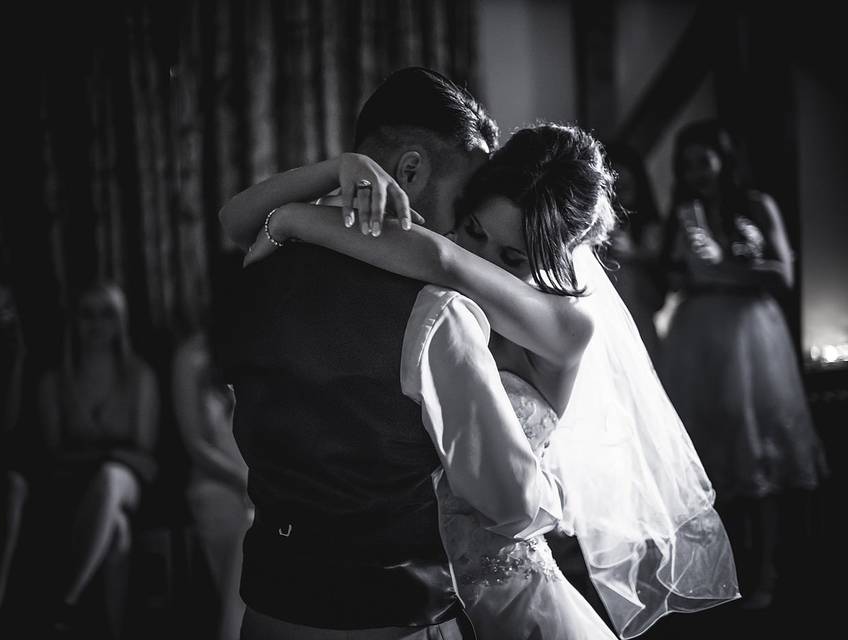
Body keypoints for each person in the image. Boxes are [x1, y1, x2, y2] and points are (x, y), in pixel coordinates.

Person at [229, 112, 741, 636]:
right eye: (472, 231)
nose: (483, 262)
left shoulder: (565, 328)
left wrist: (292, 221)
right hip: (429, 585)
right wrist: (334, 174)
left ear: (559, 258)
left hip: (507, 584)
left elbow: (443, 261)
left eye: (512, 257)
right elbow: (236, 220)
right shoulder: (434, 297)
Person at [220, 66, 567, 640]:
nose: (461, 225)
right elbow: (510, 502)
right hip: (391, 616)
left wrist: (311, 193)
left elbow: (237, 220)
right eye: (465, 194)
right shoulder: (438, 313)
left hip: (268, 612)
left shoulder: (263, 261)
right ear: (408, 170)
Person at [659, 119, 828, 610]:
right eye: (686, 165)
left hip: (752, 334)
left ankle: (770, 570)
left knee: (759, 449)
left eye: (703, 161)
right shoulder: (681, 214)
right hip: (697, 335)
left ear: (723, 159)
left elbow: (783, 275)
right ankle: (721, 571)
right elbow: (673, 281)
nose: (695, 173)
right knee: (710, 449)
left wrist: (723, 267)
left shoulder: (755, 206)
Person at [31, 281, 160, 635]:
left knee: (111, 477)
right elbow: (53, 455)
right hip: (70, 486)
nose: (96, 324)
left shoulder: (139, 376)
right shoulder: (54, 381)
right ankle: (112, 632)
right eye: (86, 314)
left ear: (121, 322)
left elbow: (144, 453)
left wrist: (103, 457)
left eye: (107, 314)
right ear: (73, 321)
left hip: (128, 483)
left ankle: (63, 604)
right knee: (116, 530)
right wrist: (111, 451)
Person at [172, 330, 252, 640]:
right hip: (217, 480)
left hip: (268, 482)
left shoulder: (268, 336)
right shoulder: (191, 355)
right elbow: (194, 443)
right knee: (241, 524)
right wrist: (241, 480)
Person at [604, 143, 665, 362]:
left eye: (625, 187)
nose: (618, 194)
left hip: (639, 314)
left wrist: (638, 256)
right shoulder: (592, 231)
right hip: (604, 319)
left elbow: (661, 293)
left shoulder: (651, 230)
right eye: (613, 187)